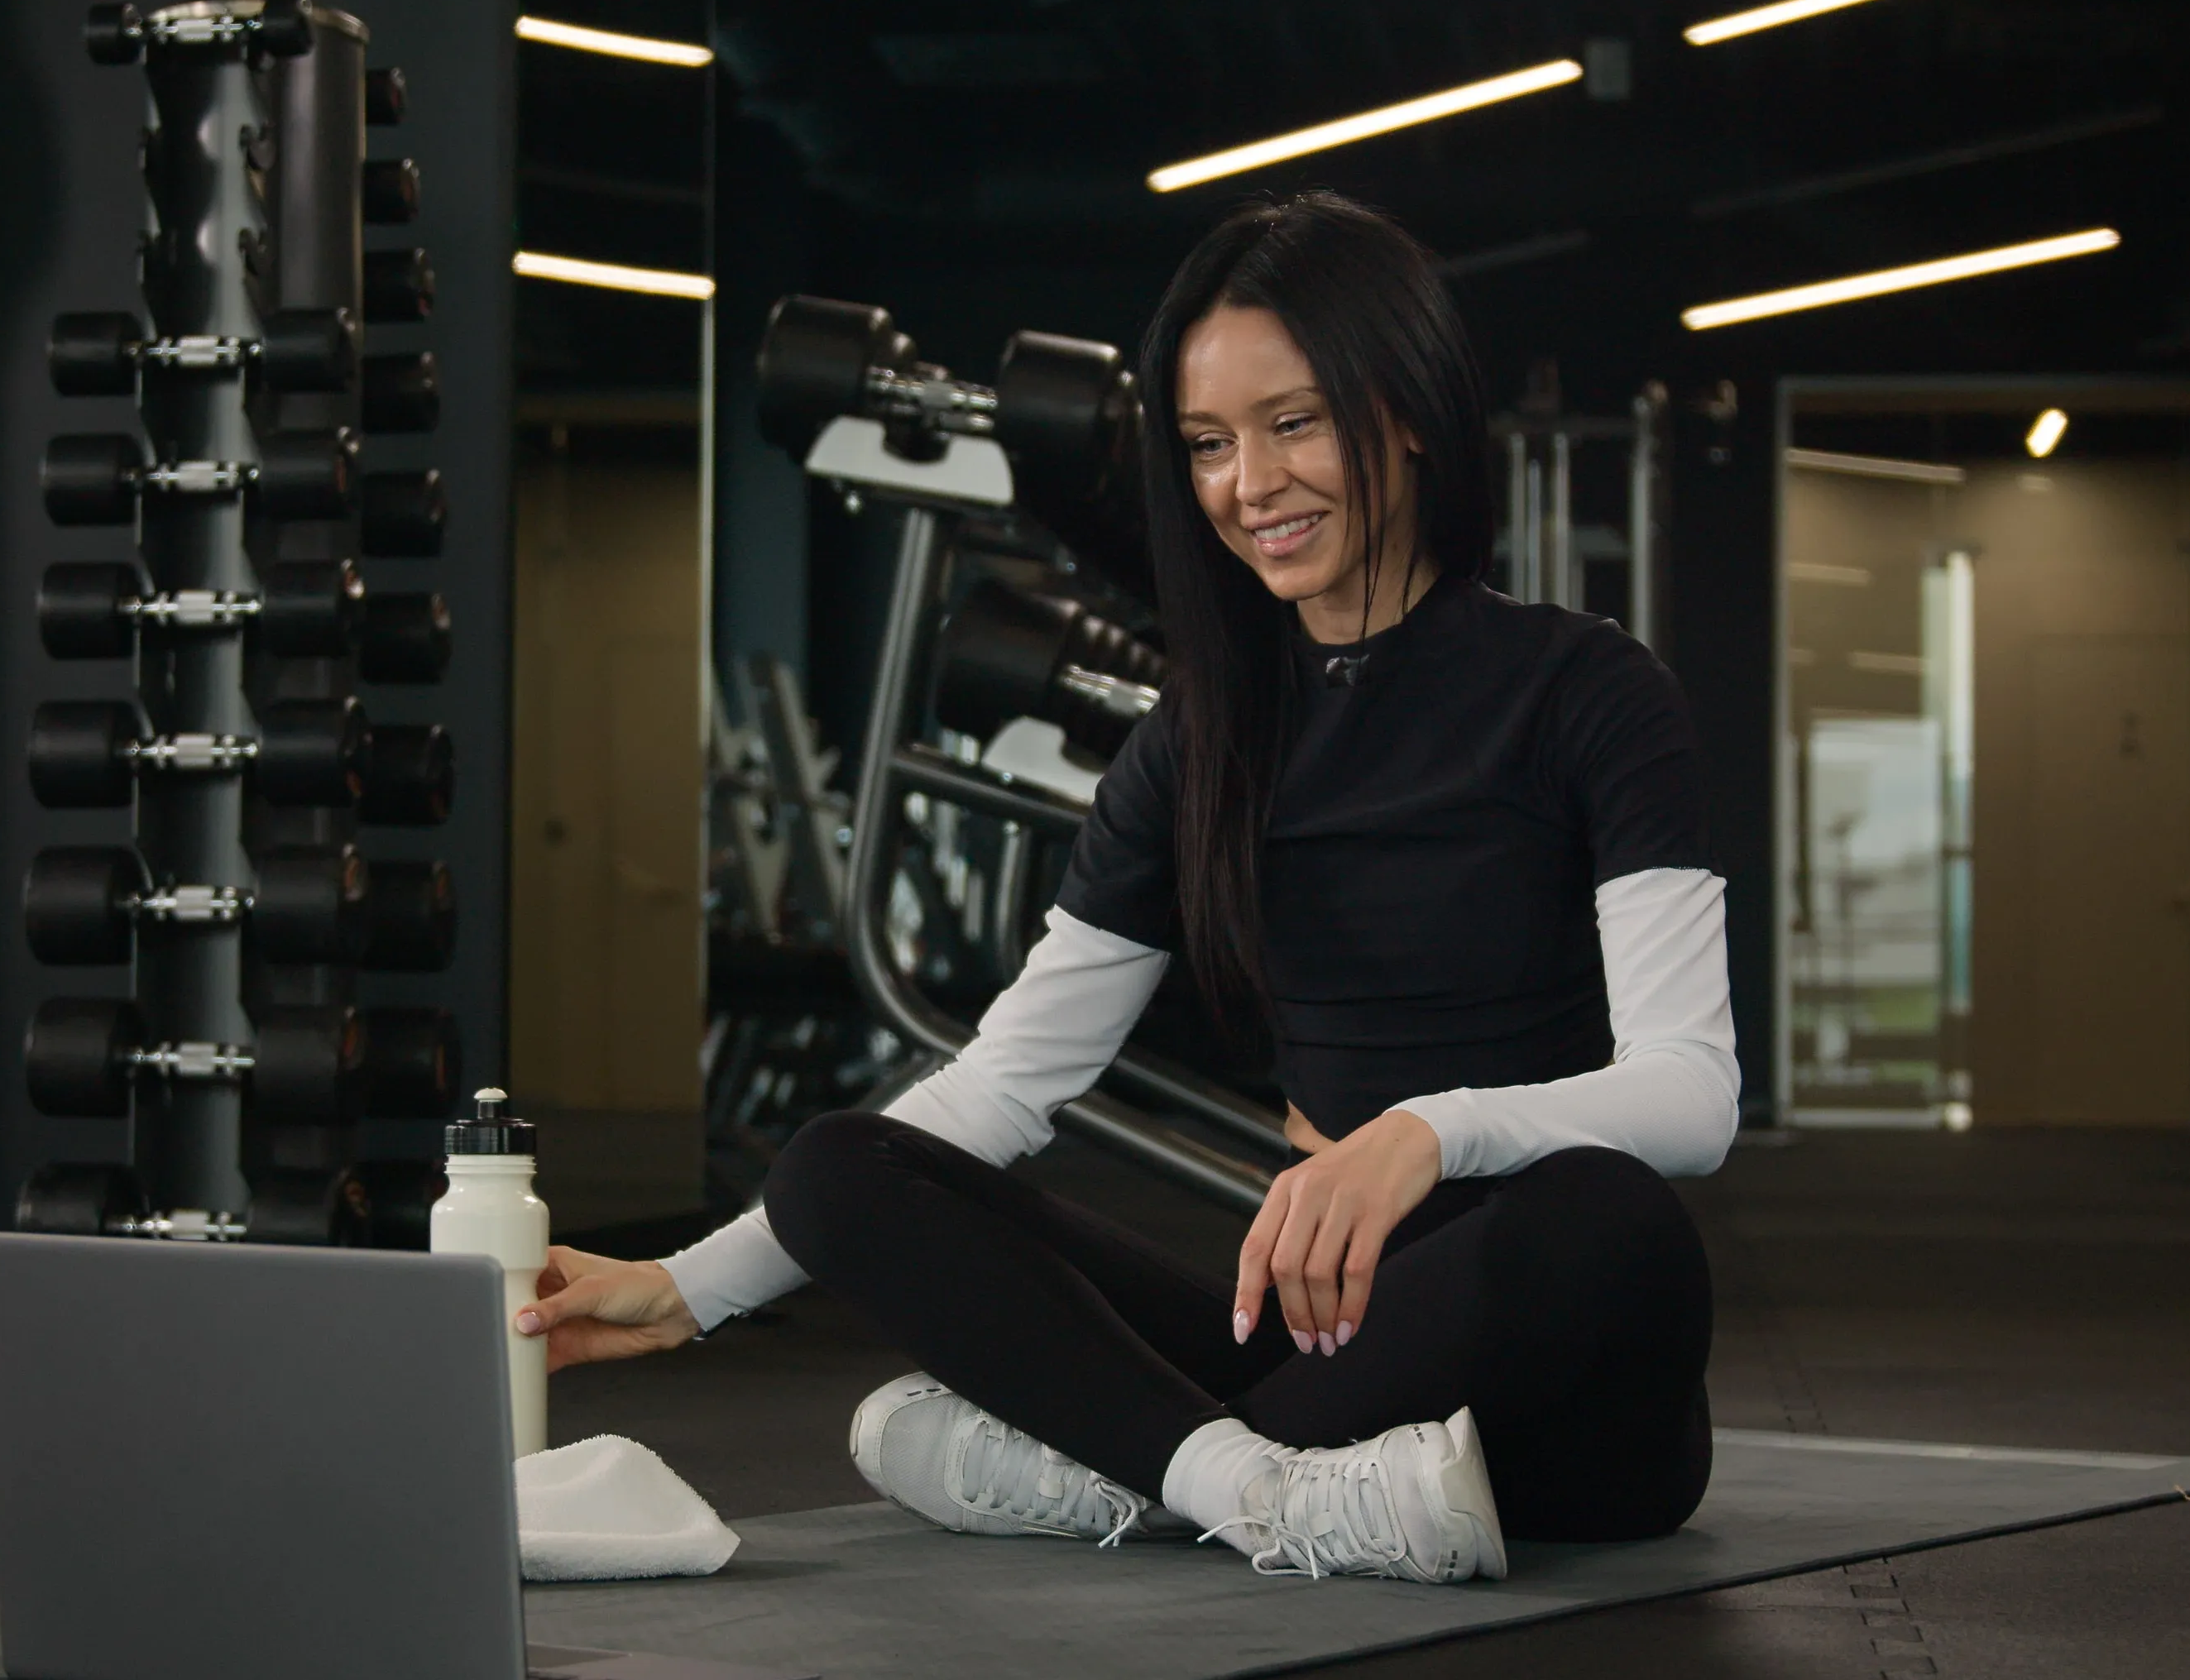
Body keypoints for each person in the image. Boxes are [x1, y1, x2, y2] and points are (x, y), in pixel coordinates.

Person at [515, 191, 1734, 1586]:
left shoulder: (1592, 694)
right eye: (1210, 445)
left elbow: (1692, 1094)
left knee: (1609, 1217)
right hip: (1318, 1345)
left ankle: (1133, 1470)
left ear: (1404, 410)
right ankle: (1255, 1489)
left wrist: (1425, 1134)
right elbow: (1004, 1090)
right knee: (838, 1165)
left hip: (1558, 1388)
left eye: (1294, 423)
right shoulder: (1198, 743)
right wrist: (686, 1290)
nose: (1249, 485)